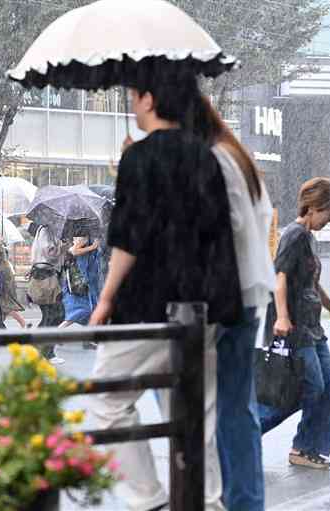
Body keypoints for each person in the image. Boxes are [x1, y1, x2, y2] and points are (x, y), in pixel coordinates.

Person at [87, 76, 243, 511]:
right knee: (196, 414)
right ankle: (207, 503)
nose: (133, 105)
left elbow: (128, 236)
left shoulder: (140, 157)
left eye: (134, 97)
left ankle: (148, 499)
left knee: (107, 400)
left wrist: (105, 298)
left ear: (149, 99)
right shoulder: (207, 157)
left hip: (148, 304)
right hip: (204, 305)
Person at [193, 97, 276, 510]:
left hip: (224, 295)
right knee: (234, 405)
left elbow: (223, 229)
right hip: (248, 294)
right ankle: (242, 499)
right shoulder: (239, 158)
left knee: (207, 405)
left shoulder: (214, 159)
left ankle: (231, 498)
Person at [259, 177, 330, 470]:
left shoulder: (308, 238)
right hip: (293, 327)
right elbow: (279, 276)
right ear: (313, 206)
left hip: (312, 327)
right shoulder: (294, 235)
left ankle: (308, 448)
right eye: (329, 212)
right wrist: (282, 316)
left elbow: (312, 282)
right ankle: (242, 434)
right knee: (303, 389)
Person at [28, 222, 65, 357]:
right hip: (45, 276)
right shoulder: (45, 230)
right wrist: (62, 246)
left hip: (48, 276)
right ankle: (47, 352)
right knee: (54, 315)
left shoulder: (49, 230)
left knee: (53, 315)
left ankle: (38, 344)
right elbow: (49, 253)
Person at [59, 235, 102, 329]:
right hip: (82, 283)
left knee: (89, 311)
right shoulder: (84, 234)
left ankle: (91, 338)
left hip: (89, 281)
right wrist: (93, 247)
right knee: (81, 311)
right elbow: (73, 251)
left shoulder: (90, 235)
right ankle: (56, 333)